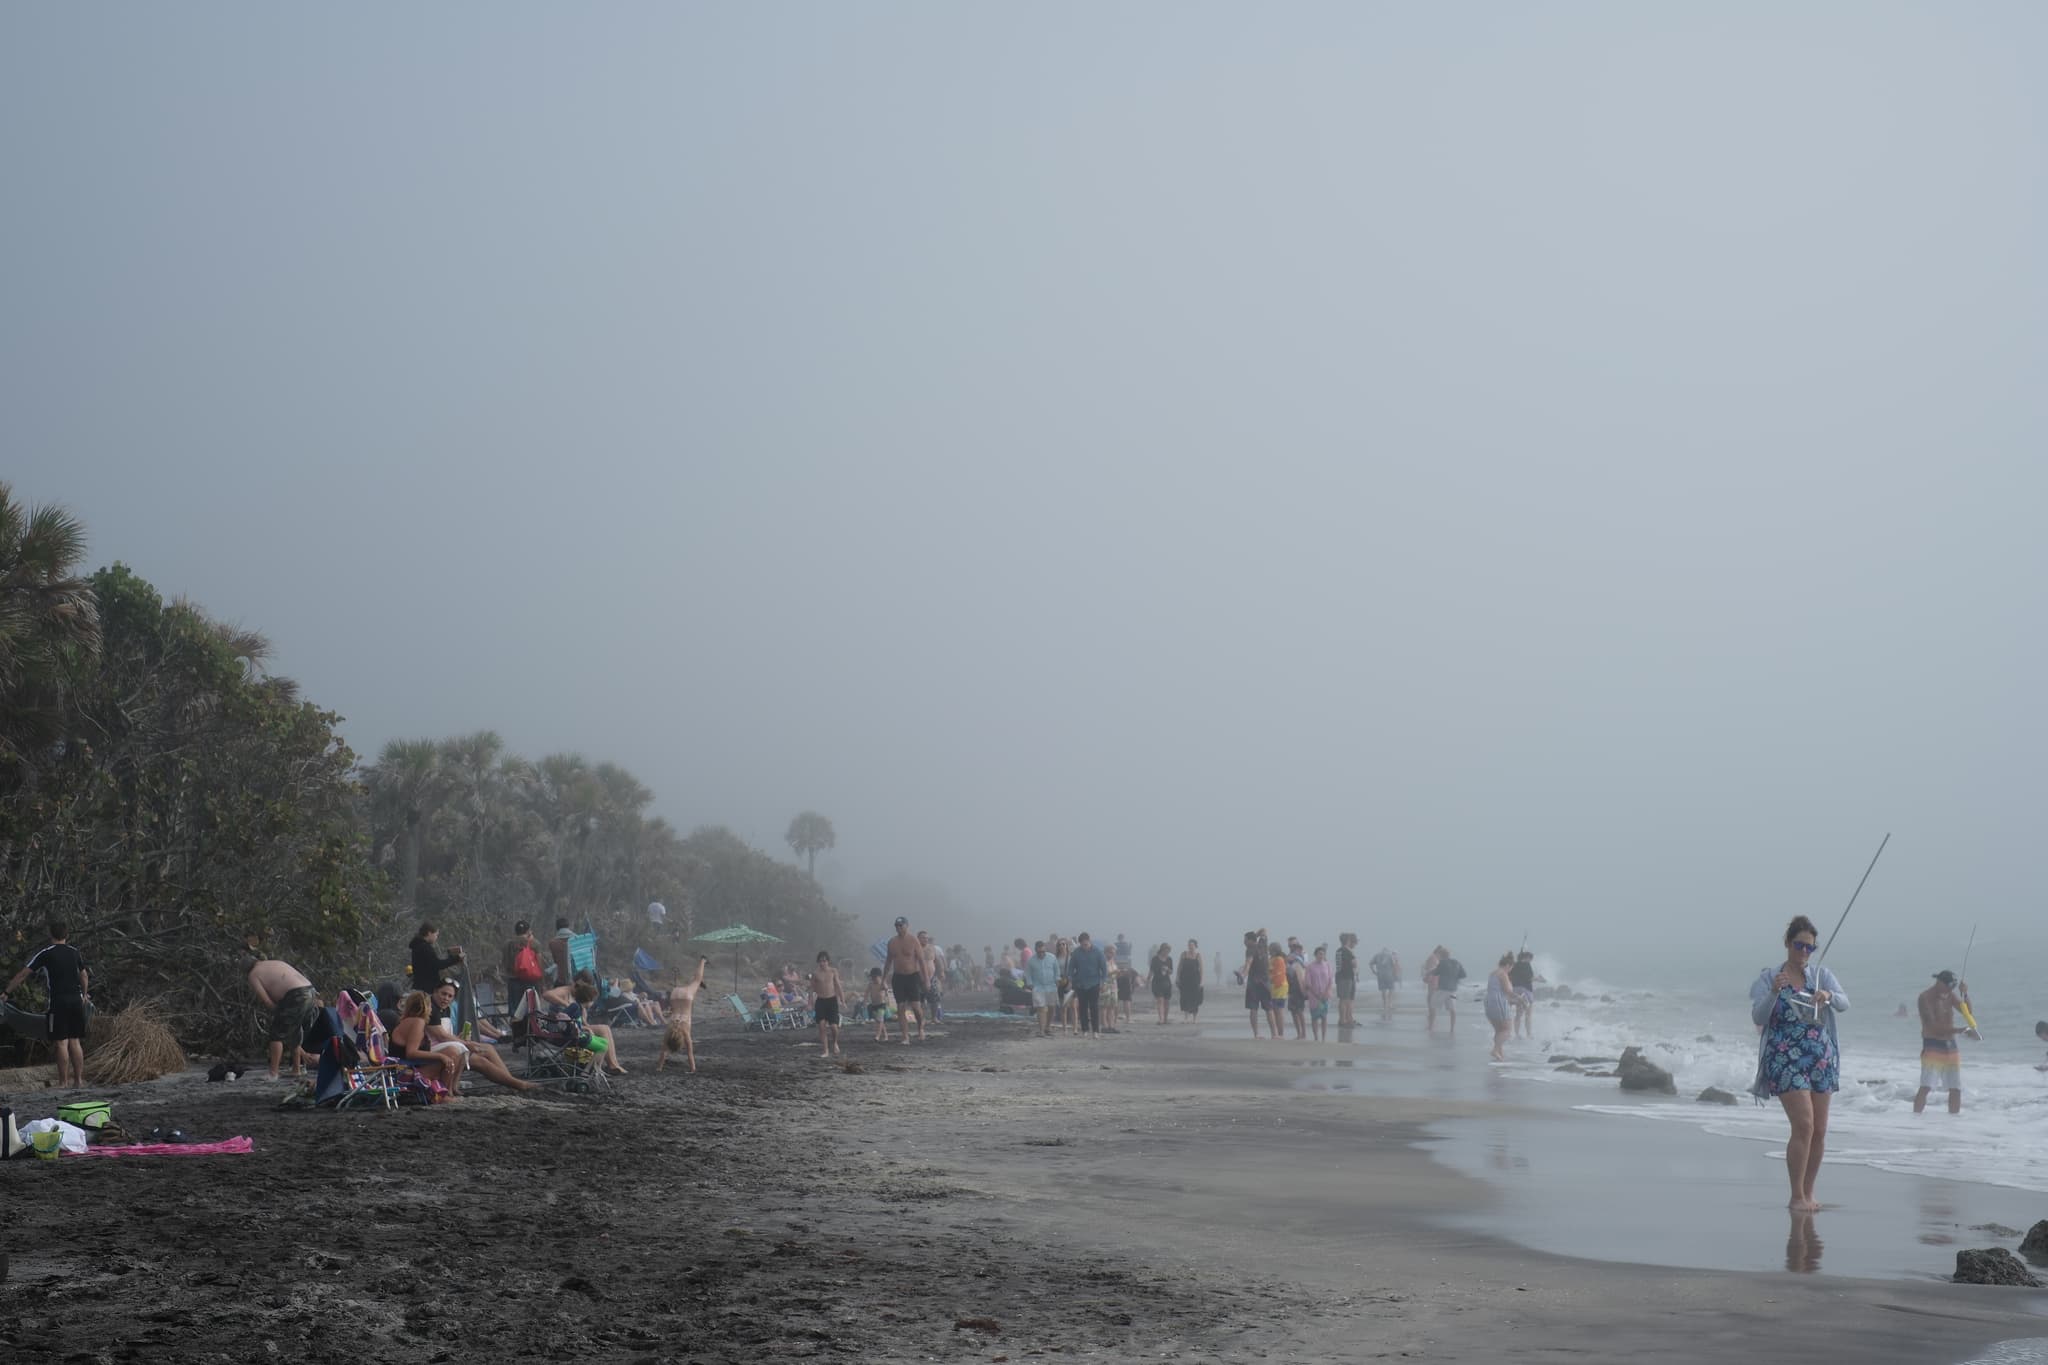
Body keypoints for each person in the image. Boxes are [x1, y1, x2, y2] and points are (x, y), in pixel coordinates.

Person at [1749, 915, 1848, 1213]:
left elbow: (1844, 1003)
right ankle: (1795, 1195)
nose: (1804, 952)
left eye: (1810, 948)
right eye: (1799, 946)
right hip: (1784, 1057)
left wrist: (1828, 995)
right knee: (1803, 1124)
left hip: (1820, 1056)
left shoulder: (1821, 976)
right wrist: (1774, 993)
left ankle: (1808, 1192)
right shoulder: (1769, 978)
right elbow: (1758, 1017)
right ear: (1788, 944)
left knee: (1819, 1129)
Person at [2, 921, 90, 1087]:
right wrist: (84, 996)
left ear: (51, 935)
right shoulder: (74, 952)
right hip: (76, 1000)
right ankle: (78, 1081)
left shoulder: (46, 954)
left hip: (58, 1001)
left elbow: (23, 974)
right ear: (66, 935)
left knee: (61, 1042)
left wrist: (7, 992)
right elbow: (84, 976)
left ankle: (63, 1083)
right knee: (75, 1041)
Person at [414, 983, 535, 1092]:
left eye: (450, 996)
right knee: (480, 1061)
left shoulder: (445, 1009)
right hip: (435, 1051)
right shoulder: (430, 1009)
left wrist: (459, 1038)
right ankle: (517, 1084)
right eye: (443, 994)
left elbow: (443, 1036)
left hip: (445, 1046)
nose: (446, 998)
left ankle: (511, 1081)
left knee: (488, 1048)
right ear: (435, 991)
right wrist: (465, 1044)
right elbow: (441, 1036)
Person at [246, 945, 320, 1081]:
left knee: (276, 1034)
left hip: (296, 995)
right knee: (295, 1029)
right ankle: (296, 1069)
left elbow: (267, 1001)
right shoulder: (274, 963)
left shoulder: (253, 974)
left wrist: (277, 1013)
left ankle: (273, 1073)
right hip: (311, 991)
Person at [1914, 970, 1977, 1114]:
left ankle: (1953, 1122)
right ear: (1939, 982)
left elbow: (1967, 1012)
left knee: (1955, 1088)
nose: (1950, 990)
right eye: (1948, 986)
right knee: (1926, 1086)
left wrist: (1965, 994)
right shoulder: (1925, 997)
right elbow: (1932, 1027)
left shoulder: (1950, 995)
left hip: (1950, 1046)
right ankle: (1915, 1118)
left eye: (1953, 987)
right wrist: (1960, 1031)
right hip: (1932, 1045)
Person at [885, 918, 928, 1044]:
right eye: (896, 926)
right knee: (900, 1007)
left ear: (906, 926)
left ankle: (920, 1027)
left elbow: (921, 961)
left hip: (912, 976)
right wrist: (883, 979)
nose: (898, 928)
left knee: (915, 1007)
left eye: (901, 925)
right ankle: (905, 1036)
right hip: (898, 977)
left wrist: (926, 980)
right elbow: (888, 962)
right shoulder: (892, 942)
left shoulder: (913, 940)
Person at [1067, 932, 1109, 1038]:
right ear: (1080, 944)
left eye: (1086, 944)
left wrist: (1103, 982)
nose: (1084, 947)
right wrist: (1070, 980)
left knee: (1094, 1007)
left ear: (1089, 942)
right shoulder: (1076, 952)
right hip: (1080, 984)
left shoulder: (1098, 952)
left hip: (1094, 983)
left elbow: (1104, 969)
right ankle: (1085, 1029)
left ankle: (1095, 1030)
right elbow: (1071, 967)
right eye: (1082, 945)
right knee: (1082, 1007)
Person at [503, 920, 547, 1019]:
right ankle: (530, 1030)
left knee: (515, 1010)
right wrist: (542, 981)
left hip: (513, 980)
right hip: (530, 980)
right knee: (531, 1009)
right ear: (528, 931)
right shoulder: (534, 943)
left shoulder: (508, 944)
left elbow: (505, 962)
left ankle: (515, 1030)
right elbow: (539, 963)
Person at [408, 923, 463, 994]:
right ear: (429, 933)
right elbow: (437, 964)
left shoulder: (417, 946)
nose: (436, 937)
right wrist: (457, 958)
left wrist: (451, 957)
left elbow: (431, 964)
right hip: (426, 989)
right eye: (436, 935)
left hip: (420, 986)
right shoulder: (425, 947)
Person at [810, 951, 844, 1059]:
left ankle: (834, 1043)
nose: (822, 963)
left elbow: (838, 986)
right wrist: (809, 1003)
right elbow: (811, 989)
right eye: (820, 961)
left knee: (834, 1027)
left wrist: (843, 1000)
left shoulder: (833, 971)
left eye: (824, 961)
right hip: (820, 1001)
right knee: (821, 1025)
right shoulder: (815, 974)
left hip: (832, 1000)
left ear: (828, 961)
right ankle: (825, 1050)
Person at [1026, 940, 1060, 1037]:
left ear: (1045, 950)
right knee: (1041, 1008)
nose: (1041, 954)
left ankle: (1047, 1027)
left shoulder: (1052, 958)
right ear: (1036, 950)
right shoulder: (1031, 961)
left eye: (1043, 951)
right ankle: (1041, 1030)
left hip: (1051, 986)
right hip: (1038, 987)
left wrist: (1057, 980)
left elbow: (1056, 970)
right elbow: (1028, 973)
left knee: (1051, 1007)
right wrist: (1030, 984)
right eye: (1039, 952)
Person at [1485, 954, 1515, 1061]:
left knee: (1499, 1030)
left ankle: (1500, 1054)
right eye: (1511, 968)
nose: (1510, 970)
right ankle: (1495, 1050)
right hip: (1499, 1002)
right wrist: (1519, 999)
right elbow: (1508, 991)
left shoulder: (1492, 973)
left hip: (1489, 1001)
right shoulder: (1503, 974)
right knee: (1507, 1029)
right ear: (1507, 965)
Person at [1429, 950, 1465, 1035]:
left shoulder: (1442, 962)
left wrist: (1430, 971)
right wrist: (1455, 977)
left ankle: (1431, 1027)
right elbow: (1463, 975)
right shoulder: (1457, 962)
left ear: (1441, 955)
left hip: (1442, 989)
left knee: (1432, 1006)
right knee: (1452, 1009)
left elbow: (1435, 972)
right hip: (1452, 989)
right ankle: (1452, 1029)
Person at [1243, 930, 1271, 1040]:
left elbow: (1248, 963)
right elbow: (1264, 930)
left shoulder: (1250, 949)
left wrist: (1244, 975)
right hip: (1265, 982)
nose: (1244, 942)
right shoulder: (1263, 944)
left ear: (1250, 941)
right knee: (1269, 1008)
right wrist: (1256, 935)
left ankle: (1256, 1034)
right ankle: (1274, 1033)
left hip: (1254, 983)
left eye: (1245, 940)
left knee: (1254, 1008)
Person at [1304, 945, 1335, 1042]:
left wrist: (1326, 992)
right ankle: (1316, 1037)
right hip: (1314, 996)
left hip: (1325, 995)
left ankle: (1323, 1037)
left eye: (1323, 954)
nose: (1321, 956)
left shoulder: (1327, 965)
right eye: (1319, 954)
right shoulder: (1310, 966)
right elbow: (1308, 983)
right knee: (1315, 1017)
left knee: (1324, 1017)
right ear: (1315, 955)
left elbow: (1330, 980)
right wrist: (1316, 994)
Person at [1509, 950, 1539, 1038]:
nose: (1531, 961)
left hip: (1516, 991)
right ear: (1527, 958)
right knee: (1528, 1014)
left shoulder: (1514, 965)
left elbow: (1510, 977)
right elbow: (1530, 978)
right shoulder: (1527, 965)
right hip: (1526, 990)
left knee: (1518, 1013)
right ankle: (1529, 1034)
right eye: (1530, 959)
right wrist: (1538, 979)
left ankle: (1517, 1034)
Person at [1266, 943, 1290, 1039]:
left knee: (1279, 1010)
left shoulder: (1279, 960)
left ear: (1274, 950)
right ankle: (1277, 1033)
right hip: (1273, 987)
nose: (1268, 951)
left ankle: (1280, 1033)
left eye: (1270, 949)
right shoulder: (1271, 959)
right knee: (1274, 1010)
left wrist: (1270, 979)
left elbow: (1278, 974)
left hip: (1280, 986)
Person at [863, 967, 895, 1043]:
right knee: (879, 1020)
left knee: (880, 1020)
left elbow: (887, 991)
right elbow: (866, 993)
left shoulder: (882, 983)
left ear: (880, 976)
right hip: (874, 1005)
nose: (874, 979)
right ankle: (886, 1035)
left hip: (882, 1005)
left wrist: (889, 1002)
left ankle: (877, 1036)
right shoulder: (870, 984)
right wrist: (864, 1002)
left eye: (875, 977)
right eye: (872, 977)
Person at [1284, 945, 1308, 1040]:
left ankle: (1303, 1034)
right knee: (1294, 1012)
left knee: (1298, 1012)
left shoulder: (1298, 963)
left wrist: (1303, 992)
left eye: (1292, 952)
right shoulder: (1292, 963)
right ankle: (1299, 1033)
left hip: (1298, 990)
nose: (1290, 955)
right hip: (1292, 990)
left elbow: (1300, 978)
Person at [1334, 934, 1358, 1028]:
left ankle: (1346, 1019)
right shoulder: (1345, 951)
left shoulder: (1339, 950)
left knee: (1346, 999)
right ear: (1347, 940)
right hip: (1345, 977)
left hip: (1343, 977)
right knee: (1344, 999)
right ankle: (1343, 1020)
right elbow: (1354, 964)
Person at [1177, 940, 1204, 1021]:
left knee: (1195, 998)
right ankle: (1186, 1017)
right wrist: (1177, 977)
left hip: (1195, 979)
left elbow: (1201, 969)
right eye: (1189, 945)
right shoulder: (1184, 954)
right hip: (1184, 979)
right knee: (1185, 997)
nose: (1190, 946)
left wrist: (1202, 981)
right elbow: (1179, 966)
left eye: (1192, 945)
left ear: (1195, 946)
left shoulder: (1198, 955)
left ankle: (1194, 1018)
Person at [1370, 946, 1399, 1022]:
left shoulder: (1377, 955)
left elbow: (1370, 963)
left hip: (1380, 975)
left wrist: (1374, 971)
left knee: (1383, 990)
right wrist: (1395, 975)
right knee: (1391, 989)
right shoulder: (1390, 955)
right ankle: (1389, 1004)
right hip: (1389, 975)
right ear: (1387, 951)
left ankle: (1384, 1005)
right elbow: (1395, 965)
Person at [1149, 943, 1175, 1025]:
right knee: (1160, 1000)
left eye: (1168, 951)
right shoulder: (1155, 959)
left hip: (1166, 982)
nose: (1167, 952)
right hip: (1157, 982)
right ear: (1162, 950)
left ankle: (1165, 1019)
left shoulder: (1169, 959)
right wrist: (1147, 981)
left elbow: (1171, 972)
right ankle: (1161, 1019)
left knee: (1167, 1001)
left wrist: (1167, 969)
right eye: (1166, 950)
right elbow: (1151, 971)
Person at [548, 917, 574, 986]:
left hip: (562, 979)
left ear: (557, 928)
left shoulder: (552, 943)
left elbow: (556, 961)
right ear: (568, 926)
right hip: (578, 978)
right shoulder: (577, 939)